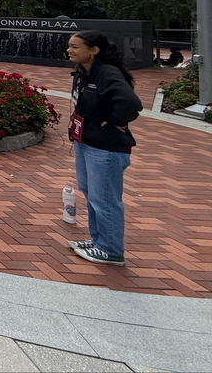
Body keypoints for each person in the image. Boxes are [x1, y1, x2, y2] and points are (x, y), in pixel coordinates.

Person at [65, 30, 141, 267]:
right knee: (91, 193)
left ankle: (111, 250)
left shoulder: (107, 74)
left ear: (93, 50)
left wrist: (113, 122)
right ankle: (98, 241)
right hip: (86, 142)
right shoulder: (84, 73)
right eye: (69, 46)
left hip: (105, 148)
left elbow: (130, 103)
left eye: (75, 46)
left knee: (105, 199)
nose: (70, 50)